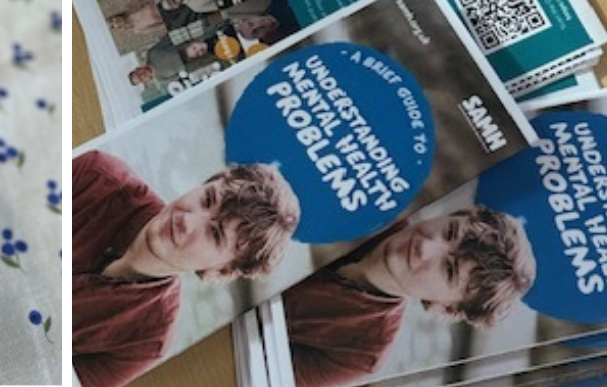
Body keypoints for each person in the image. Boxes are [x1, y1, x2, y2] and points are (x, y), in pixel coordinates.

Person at [73, 149, 301, 387]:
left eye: (215, 234)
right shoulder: (98, 175)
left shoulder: (149, 340)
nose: (187, 220)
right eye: (207, 199)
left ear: (220, 270)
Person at [283, 205, 536, 387]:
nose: (425, 246)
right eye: (449, 231)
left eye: (449, 269)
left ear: (444, 308)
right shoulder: (371, 204)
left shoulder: (361, 353)